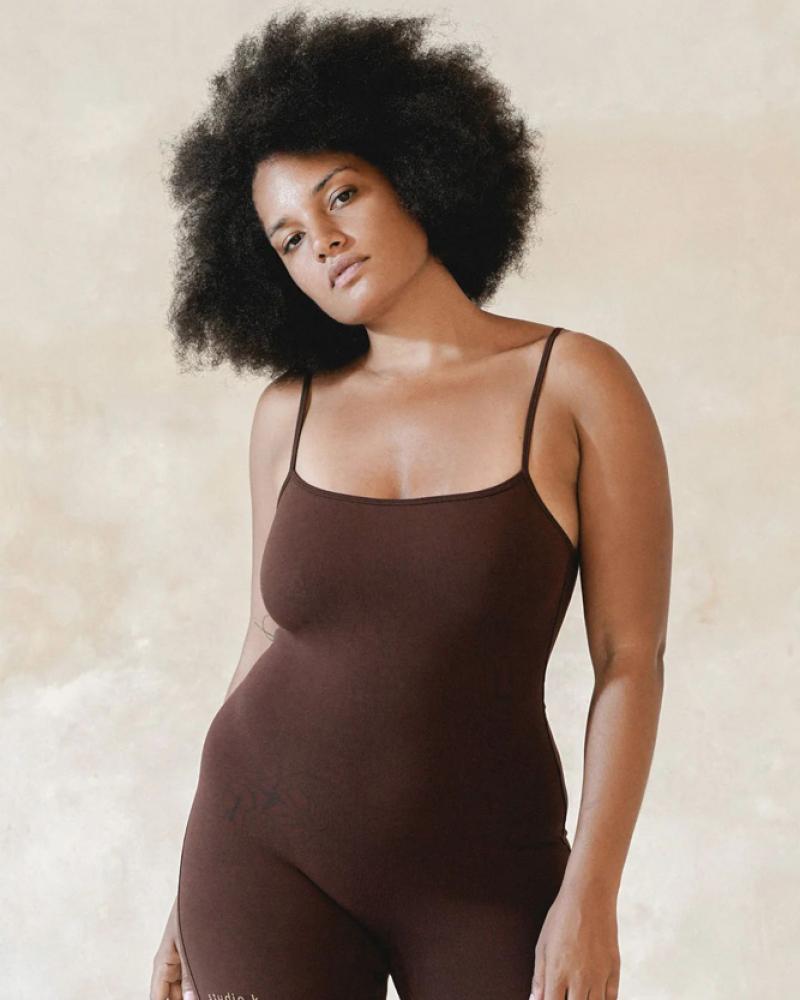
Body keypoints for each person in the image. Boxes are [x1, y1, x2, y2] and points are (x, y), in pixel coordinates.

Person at [150, 10, 672, 1000]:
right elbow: (264, 631)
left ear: (416, 172)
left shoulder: (574, 383)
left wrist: (592, 894)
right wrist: (186, 890)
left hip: (486, 867)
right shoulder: (288, 412)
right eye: (289, 239)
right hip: (260, 849)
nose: (324, 242)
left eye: (343, 194)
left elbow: (629, 658)